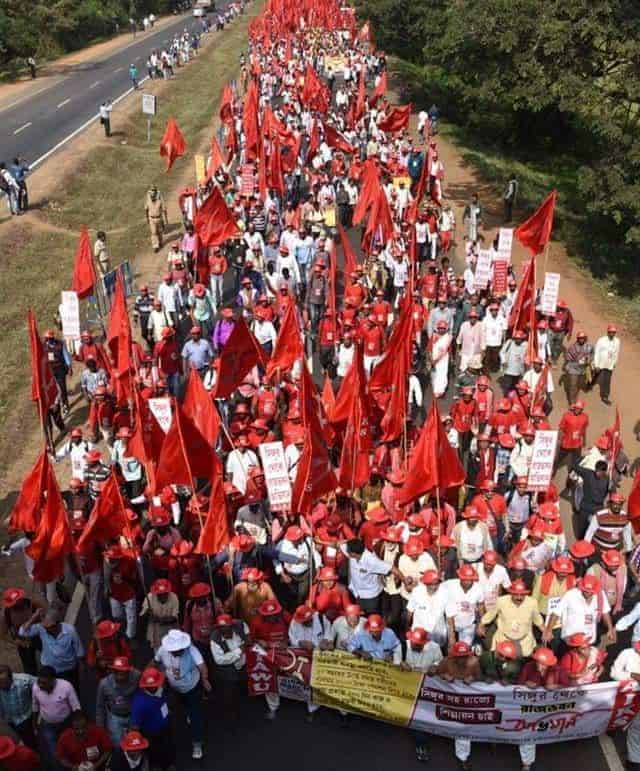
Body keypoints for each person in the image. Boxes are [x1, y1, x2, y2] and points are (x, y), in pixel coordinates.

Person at [154, 630, 211, 759]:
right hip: (174, 689)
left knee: (196, 715)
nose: (176, 652)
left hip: (192, 687)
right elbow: (156, 662)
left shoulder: (192, 650)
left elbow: (202, 666)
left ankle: (197, 744)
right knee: (179, 709)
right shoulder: (162, 650)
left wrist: (205, 679)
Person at [19, 608, 84, 691]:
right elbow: (22, 632)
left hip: (68, 670)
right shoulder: (41, 628)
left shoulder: (70, 630)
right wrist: (34, 617)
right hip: (50, 671)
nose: (46, 629)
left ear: (57, 623)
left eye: (49, 627)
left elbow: (79, 650)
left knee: (72, 692)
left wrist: (82, 666)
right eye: (45, 627)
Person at [31, 667, 81, 767]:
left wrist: (77, 725)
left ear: (53, 680)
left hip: (66, 723)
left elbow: (76, 707)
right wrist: (35, 724)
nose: (40, 685)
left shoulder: (66, 686)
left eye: (44, 683)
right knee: (54, 751)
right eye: (39, 682)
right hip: (48, 725)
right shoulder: (36, 687)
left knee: (69, 746)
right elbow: (35, 706)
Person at [130, 668, 175, 771]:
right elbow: (135, 726)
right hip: (151, 734)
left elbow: (165, 702)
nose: (153, 687)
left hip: (166, 728)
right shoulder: (139, 702)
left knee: (169, 748)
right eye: (150, 686)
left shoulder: (161, 689)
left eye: (155, 685)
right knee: (154, 755)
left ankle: (169, 765)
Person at [0, 665, 37, 748]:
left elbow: (39, 683)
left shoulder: (24, 680)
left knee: (30, 740)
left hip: (25, 718)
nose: (1, 686)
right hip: (9, 719)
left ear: (11, 678)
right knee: (18, 737)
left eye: (3, 683)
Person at [593, 324, 620, 405]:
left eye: (613, 332)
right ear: (607, 332)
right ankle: (590, 383)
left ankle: (605, 396)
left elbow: (616, 352)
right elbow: (597, 352)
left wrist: (615, 362)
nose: (612, 334)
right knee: (595, 375)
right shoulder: (601, 340)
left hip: (609, 364)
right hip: (600, 363)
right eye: (610, 332)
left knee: (607, 381)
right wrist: (596, 364)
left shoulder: (617, 341)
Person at [145, 186, 168, 253]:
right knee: (154, 232)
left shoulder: (159, 201)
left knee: (160, 232)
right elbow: (146, 210)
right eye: (151, 197)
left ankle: (160, 242)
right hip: (151, 218)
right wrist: (147, 218)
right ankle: (155, 246)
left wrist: (166, 219)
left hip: (159, 218)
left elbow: (164, 210)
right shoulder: (148, 201)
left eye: (153, 197)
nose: (152, 198)